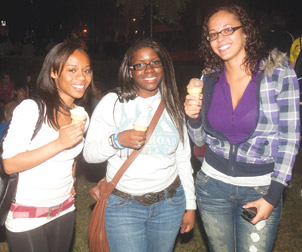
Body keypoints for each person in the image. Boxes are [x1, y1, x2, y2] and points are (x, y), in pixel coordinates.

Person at [184, 5, 300, 252]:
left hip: (260, 187)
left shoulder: (278, 74)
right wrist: (193, 117)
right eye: (213, 34)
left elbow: (289, 139)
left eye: (228, 30)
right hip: (212, 186)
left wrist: (273, 196)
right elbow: (199, 141)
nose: (220, 38)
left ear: (246, 31)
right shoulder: (209, 78)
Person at [83, 37, 196, 252]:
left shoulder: (172, 104)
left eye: (155, 62)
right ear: (130, 71)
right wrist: (117, 140)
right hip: (124, 205)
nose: (149, 69)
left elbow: (183, 158)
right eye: (140, 65)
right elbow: (89, 154)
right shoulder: (113, 102)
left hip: (169, 203)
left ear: (164, 65)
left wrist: (190, 205)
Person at [2, 42, 92, 252]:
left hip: (64, 209)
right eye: (72, 70)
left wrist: (71, 177)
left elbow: (72, 156)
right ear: (53, 72)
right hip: (27, 213)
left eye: (86, 70)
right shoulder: (31, 109)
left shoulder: (81, 116)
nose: (82, 77)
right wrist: (59, 143)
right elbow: (10, 164)